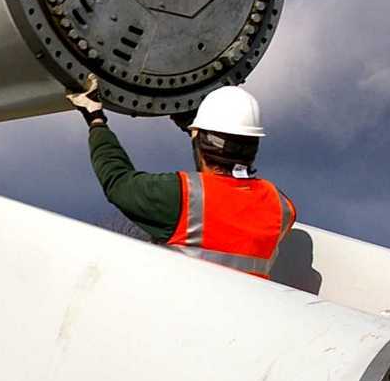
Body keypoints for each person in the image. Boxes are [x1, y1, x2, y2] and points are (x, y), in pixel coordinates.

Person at [66, 79, 296, 278]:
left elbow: (117, 181)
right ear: (253, 145)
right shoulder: (281, 207)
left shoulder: (182, 196)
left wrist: (95, 119)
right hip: (246, 323)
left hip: (182, 319)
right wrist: (195, 131)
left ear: (200, 139)